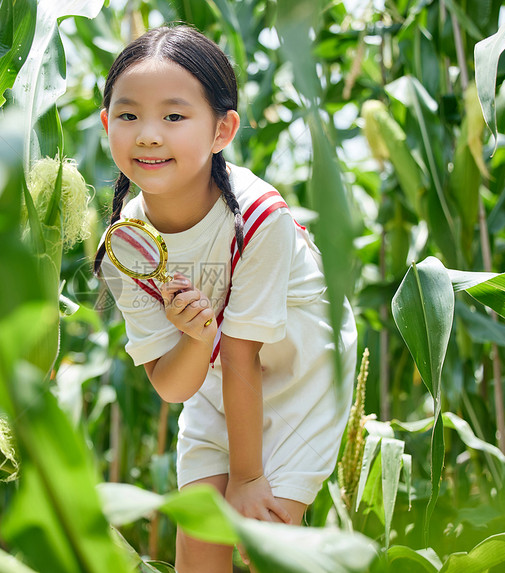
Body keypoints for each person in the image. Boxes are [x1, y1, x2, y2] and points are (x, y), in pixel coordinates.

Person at [92, 25, 357, 572]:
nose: (147, 134)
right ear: (105, 124)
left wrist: (248, 477)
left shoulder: (260, 217)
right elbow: (173, 385)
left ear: (222, 129)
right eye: (128, 115)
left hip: (301, 372)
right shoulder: (126, 244)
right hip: (220, 379)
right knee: (199, 541)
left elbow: (244, 353)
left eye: (173, 116)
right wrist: (196, 335)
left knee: (266, 537)